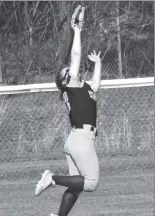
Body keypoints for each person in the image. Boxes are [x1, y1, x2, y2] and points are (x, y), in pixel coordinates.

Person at [35, 5, 102, 216]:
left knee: (75, 187)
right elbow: (75, 55)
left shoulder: (83, 87)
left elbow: (96, 86)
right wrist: (77, 30)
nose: (72, 70)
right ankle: (52, 178)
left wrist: (98, 63)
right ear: (65, 80)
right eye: (68, 72)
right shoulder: (71, 85)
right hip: (81, 138)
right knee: (91, 183)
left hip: (77, 139)